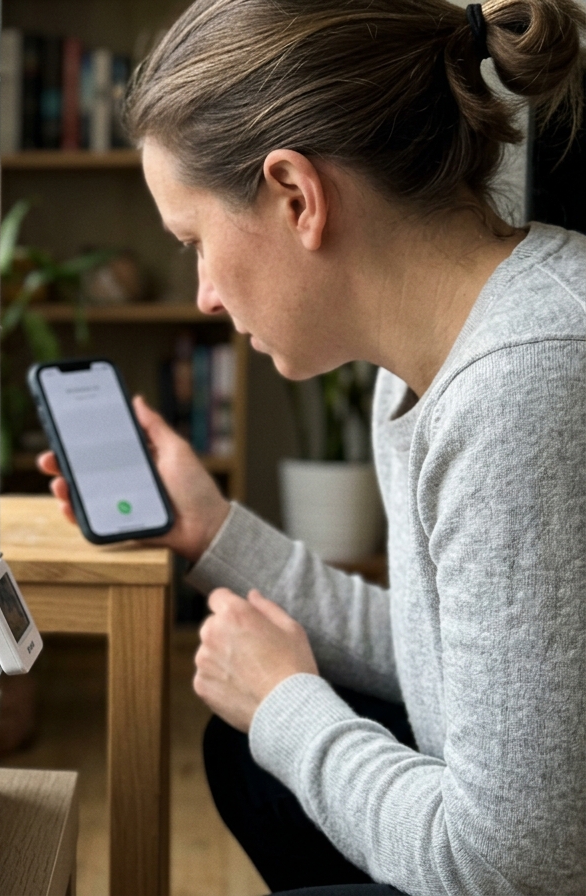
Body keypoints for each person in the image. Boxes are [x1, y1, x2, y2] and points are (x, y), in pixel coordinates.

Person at [36, 1, 586, 893]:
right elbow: (437, 657)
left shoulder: (530, 382)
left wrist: (287, 706)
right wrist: (210, 531)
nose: (205, 293)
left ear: (297, 196)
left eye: (196, 243)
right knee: (247, 760)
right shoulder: (415, 367)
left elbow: (513, 866)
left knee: (265, 742)